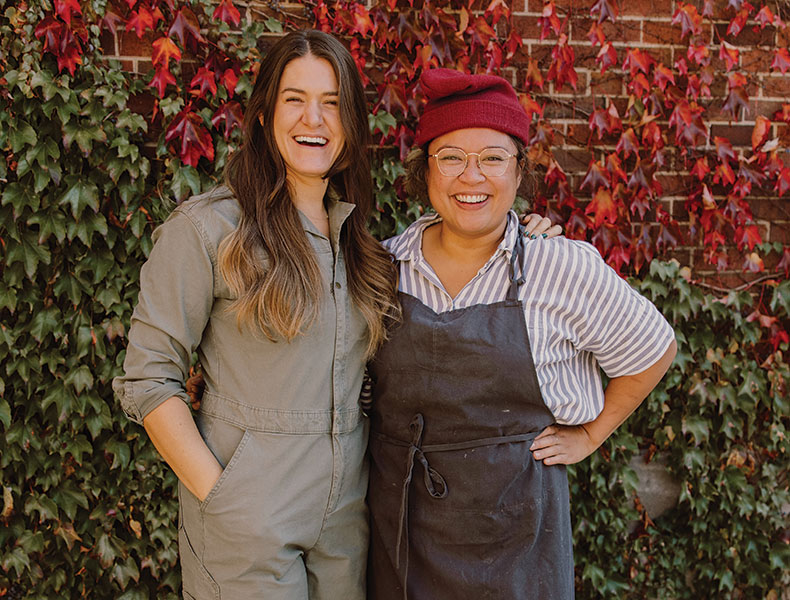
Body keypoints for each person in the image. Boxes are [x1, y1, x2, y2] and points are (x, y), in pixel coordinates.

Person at [114, 30, 556, 600]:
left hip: (348, 516)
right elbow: (150, 377)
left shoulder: (360, 241)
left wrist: (524, 240)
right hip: (249, 516)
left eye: (331, 103)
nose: (313, 119)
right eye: (295, 99)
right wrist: (222, 495)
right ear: (264, 113)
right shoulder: (208, 230)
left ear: (350, 122)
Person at [365, 69, 677, 600]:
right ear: (425, 171)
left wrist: (592, 433)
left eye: (492, 157)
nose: (472, 177)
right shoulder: (380, 267)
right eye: (451, 157)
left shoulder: (559, 267)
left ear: (518, 171)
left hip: (518, 545)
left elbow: (652, 348)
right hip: (401, 538)